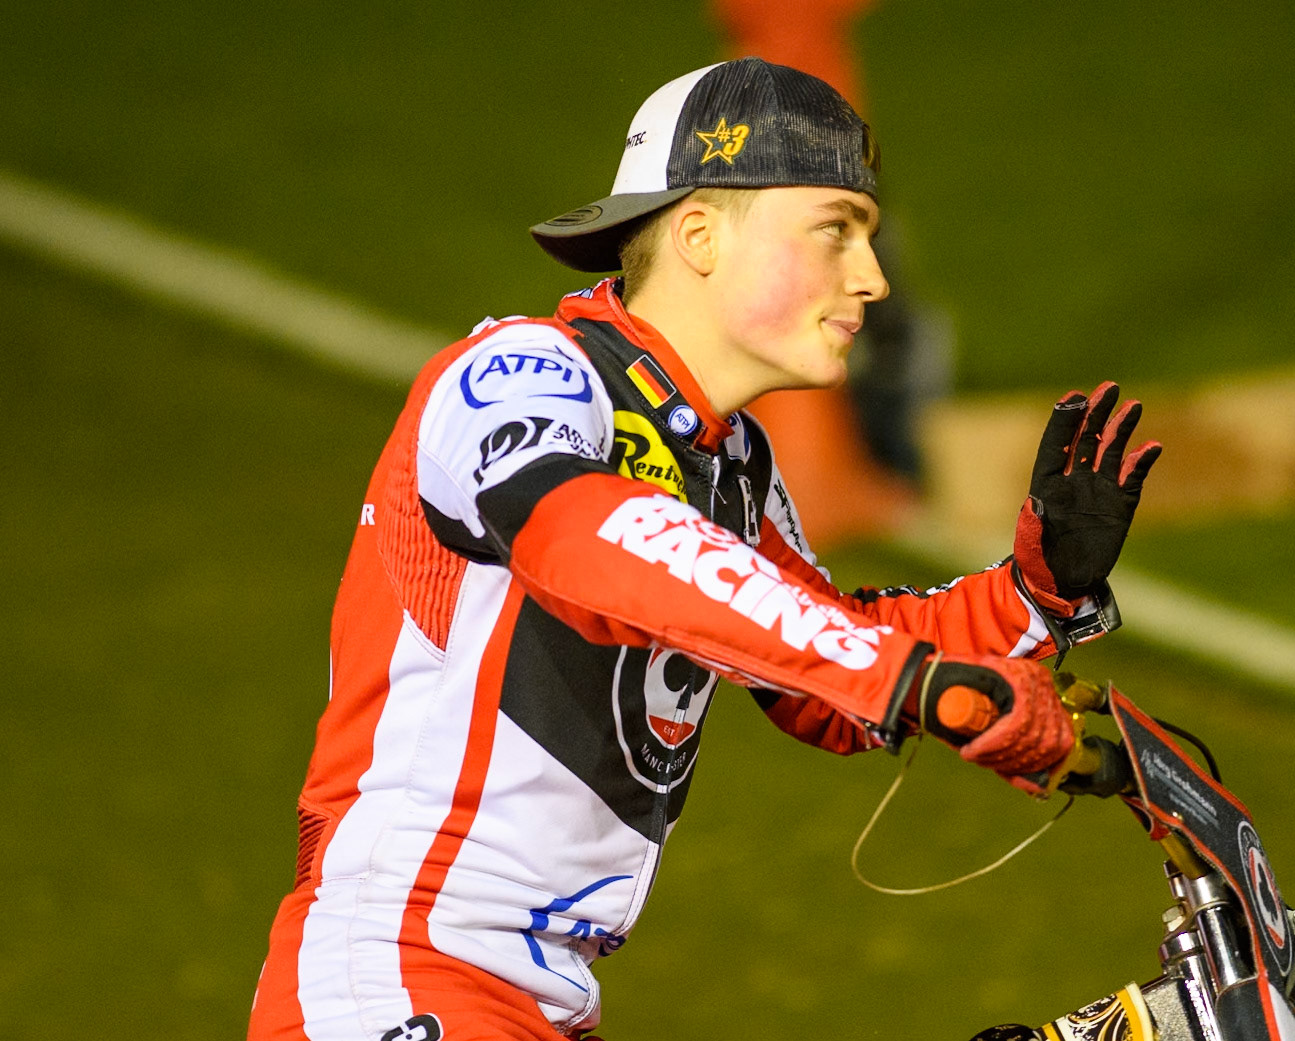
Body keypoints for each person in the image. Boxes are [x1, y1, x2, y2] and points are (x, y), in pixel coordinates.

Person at [247, 58, 1159, 1041]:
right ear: (698, 236)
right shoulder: (522, 374)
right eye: (834, 230)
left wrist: (1033, 594)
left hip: (538, 1000)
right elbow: (586, 536)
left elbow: (822, 664)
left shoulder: (728, 462)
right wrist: (902, 676)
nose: (873, 276)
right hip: (403, 970)